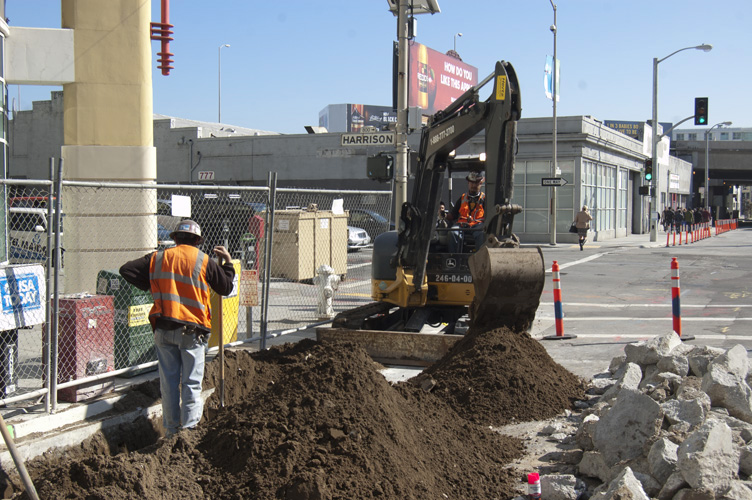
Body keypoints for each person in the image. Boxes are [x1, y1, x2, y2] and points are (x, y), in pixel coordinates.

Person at [119, 219, 235, 437]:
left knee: (169, 384)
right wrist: (227, 263)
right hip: (192, 331)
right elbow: (226, 287)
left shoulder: (158, 258)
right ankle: (189, 434)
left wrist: (150, 283)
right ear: (197, 241)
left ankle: (172, 433)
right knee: (191, 384)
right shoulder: (204, 260)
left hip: (164, 328)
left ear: (175, 238)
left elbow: (126, 270)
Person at [445, 171, 486, 252]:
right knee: (453, 232)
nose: (474, 185)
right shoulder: (462, 198)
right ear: (468, 183)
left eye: (476, 183)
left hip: (478, 226)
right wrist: (445, 215)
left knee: (482, 234)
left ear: (481, 183)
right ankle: (454, 258)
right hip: (462, 225)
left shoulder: (485, 199)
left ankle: (480, 259)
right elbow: (453, 214)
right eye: (472, 183)